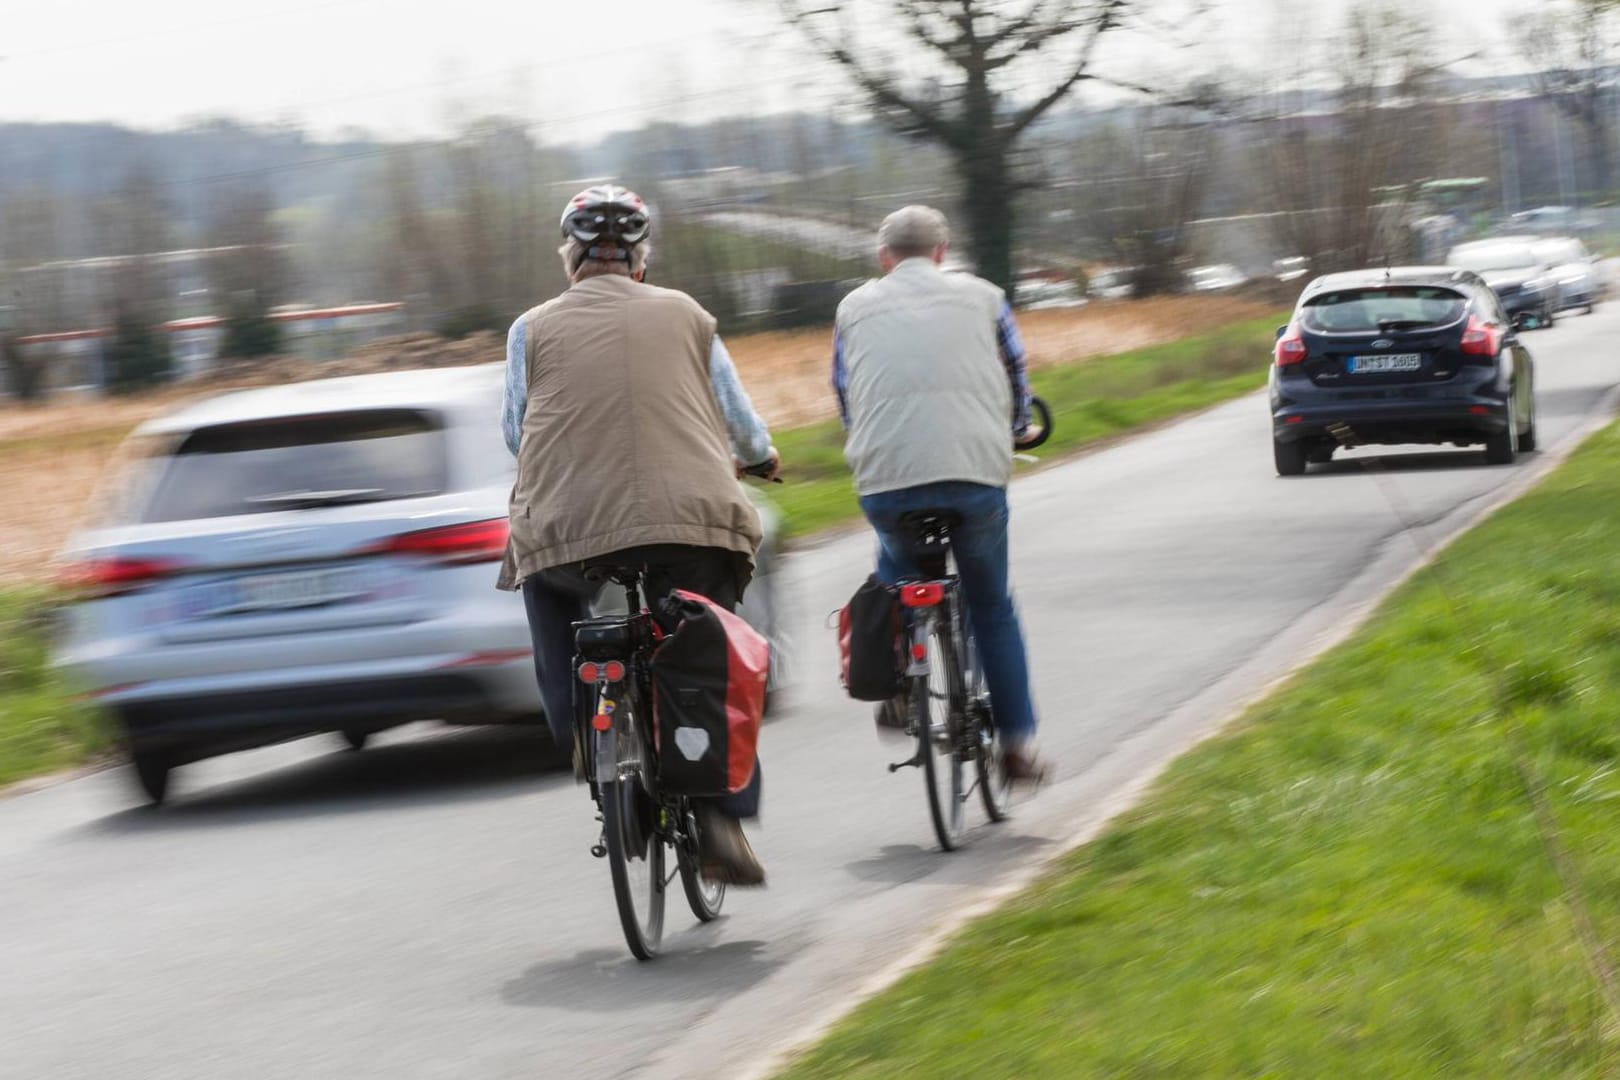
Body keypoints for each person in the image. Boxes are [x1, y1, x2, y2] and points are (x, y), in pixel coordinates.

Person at [498, 184, 780, 885]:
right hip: (691, 520)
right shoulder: (688, 314)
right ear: (640, 256)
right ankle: (721, 817)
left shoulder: (529, 328)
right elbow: (737, 418)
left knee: (554, 604)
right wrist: (761, 455)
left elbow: (514, 432)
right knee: (705, 645)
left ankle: (592, 752)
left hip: (567, 527)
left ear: (570, 256)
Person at [832, 204, 1047, 782]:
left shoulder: (852, 307)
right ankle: (1017, 748)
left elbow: (847, 397)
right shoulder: (985, 297)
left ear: (884, 259)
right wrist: (1018, 425)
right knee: (990, 605)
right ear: (941, 254)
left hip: (887, 480)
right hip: (974, 476)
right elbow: (1015, 377)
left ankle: (900, 675)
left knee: (896, 572)